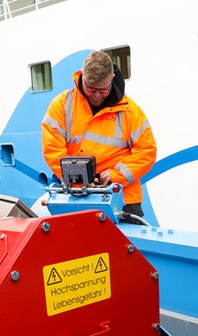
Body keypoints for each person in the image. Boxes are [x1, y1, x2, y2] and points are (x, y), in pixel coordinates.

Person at [41, 51, 156, 220]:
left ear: (112, 78)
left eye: (103, 90)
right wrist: (79, 180)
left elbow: (147, 151)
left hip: (122, 199)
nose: (96, 95)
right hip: (75, 197)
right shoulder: (61, 105)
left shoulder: (130, 112)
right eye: (91, 88)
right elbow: (52, 149)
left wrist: (116, 176)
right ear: (83, 76)